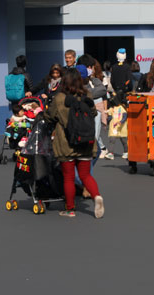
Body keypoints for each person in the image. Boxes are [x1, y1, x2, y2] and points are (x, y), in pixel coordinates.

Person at [44, 68, 104, 218]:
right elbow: (94, 113)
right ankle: (96, 196)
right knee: (85, 175)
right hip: (86, 142)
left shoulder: (59, 98)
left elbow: (50, 116)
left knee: (69, 177)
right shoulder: (88, 95)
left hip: (66, 143)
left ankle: (70, 209)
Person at [104, 93, 128, 160]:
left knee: (124, 140)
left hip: (121, 127)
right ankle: (111, 153)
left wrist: (121, 122)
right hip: (114, 127)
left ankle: (126, 152)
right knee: (112, 140)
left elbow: (125, 116)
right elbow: (109, 114)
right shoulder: (112, 108)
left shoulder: (122, 108)